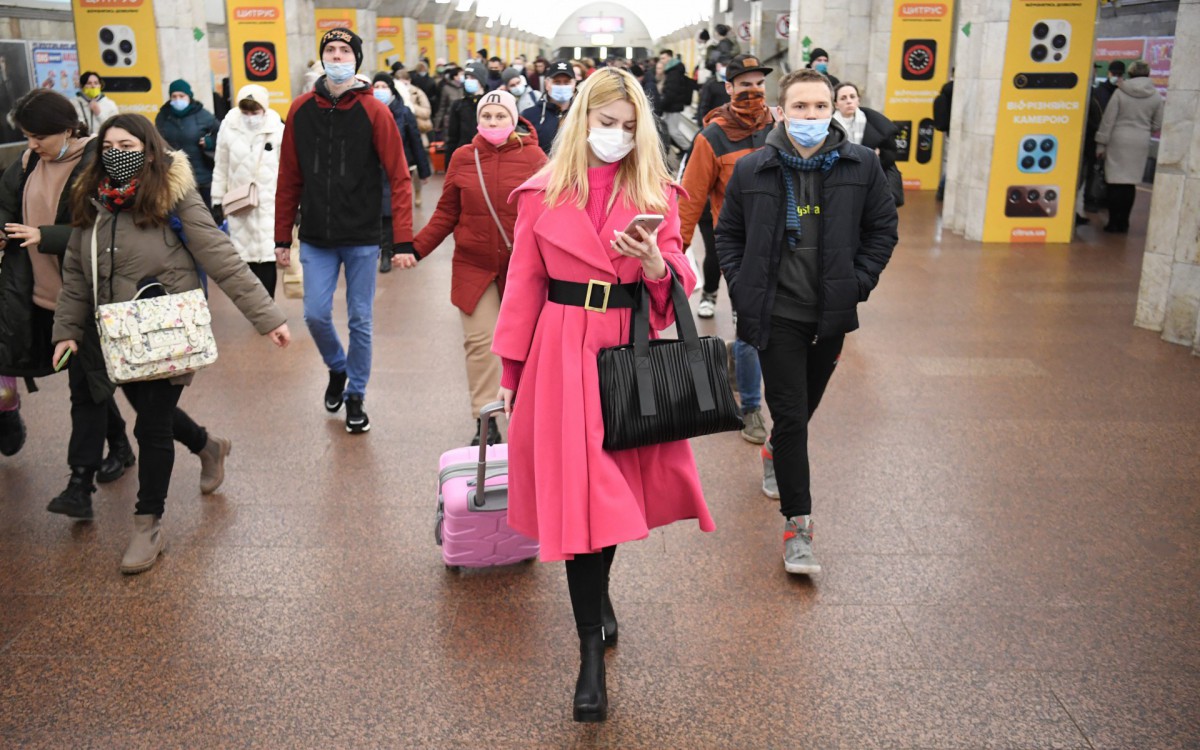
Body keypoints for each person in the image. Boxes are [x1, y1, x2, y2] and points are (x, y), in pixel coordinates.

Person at [492, 67, 714, 723]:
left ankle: (598, 598)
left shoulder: (656, 192)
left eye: (627, 126)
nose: (616, 134)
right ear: (582, 119)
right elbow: (523, 285)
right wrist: (510, 374)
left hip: (624, 350)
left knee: (605, 493)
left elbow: (679, 274)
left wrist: (655, 264)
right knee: (581, 498)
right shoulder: (541, 194)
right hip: (560, 352)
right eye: (605, 122)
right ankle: (590, 649)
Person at [54, 113, 290, 573]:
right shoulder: (91, 198)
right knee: (147, 411)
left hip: (166, 331)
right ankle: (208, 445)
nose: (116, 154)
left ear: (149, 149)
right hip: (117, 335)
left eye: (127, 146)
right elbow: (77, 273)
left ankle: (148, 526)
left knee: (151, 427)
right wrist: (65, 331)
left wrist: (267, 317)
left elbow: (219, 255)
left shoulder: (172, 192)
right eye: (109, 147)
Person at [716, 68, 897, 575]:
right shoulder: (754, 169)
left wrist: (858, 282)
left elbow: (882, 229)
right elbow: (728, 234)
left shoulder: (862, 165)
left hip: (830, 315)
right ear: (781, 111)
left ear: (833, 110)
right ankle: (799, 528)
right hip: (777, 316)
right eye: (800, 107)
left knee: (804, 408)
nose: (811, 115)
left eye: (820, 106)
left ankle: (775, 450)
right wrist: (742, 283)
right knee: (793, 415)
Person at [0, 88, 136, 504]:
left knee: (85, 387)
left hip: (87, 297)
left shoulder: (98, 162)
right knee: (90, 379)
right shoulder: (27, 163)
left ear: (66, 129)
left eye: (38, 136)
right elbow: (6, 205)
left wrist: (47, 235)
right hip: (42, 296)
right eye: (27, 136)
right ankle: (124, 447)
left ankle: (80, 482)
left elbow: (108, 230)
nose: (32, 144)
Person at [274, 27, 413, 434]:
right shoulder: (301, 110)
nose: (337, 57)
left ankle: (356, 394)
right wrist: (282, 237)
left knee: (360, 319)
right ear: (322, 58)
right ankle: (338, 367)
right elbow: (289, 177)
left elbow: (399, 177)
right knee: (315, 314)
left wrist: (402, 240)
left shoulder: (375, 111)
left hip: (362, 236)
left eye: (344, 51)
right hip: (316, 235)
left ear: (356, 60)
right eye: (330, 50)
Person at [404, 90, 546, 445]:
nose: (493, 122)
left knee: (527, 347)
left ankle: (525, 414)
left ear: (513, 119)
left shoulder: (534, 157)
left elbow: (551, 212)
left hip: (523, 269)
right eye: (487, 116)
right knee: (480, 343)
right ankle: (486, 420)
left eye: (500, 116)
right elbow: (446, 213)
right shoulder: (463, 157)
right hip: (474, 266)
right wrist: (415, 248)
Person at [677, 54, 774, 446]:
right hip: (739, 249)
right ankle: (751, 407)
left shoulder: (781, 125)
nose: (754, 91)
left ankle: (738, 360)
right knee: (751, 326)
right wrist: (675, 253)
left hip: (783, 245)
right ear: (729, 88)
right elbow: (690, 198)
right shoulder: (711, 137)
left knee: (776, 326)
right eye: (745, 84)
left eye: (759, 84)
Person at [211, 84, 284, 298]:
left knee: (267, 256)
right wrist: (217, 200)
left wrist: (296, 206)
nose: (250, 117)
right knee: (244, 259)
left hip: (269, 203)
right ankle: (254, 305)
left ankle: (267, 305)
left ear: (264, 109)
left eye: (255, 112)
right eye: (246, 112)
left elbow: (288, 170)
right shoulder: (228, 126)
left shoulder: (277, 129)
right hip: (239, 203)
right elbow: (221, 165)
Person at [1096, 60, 1163, 234]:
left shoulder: (1120, 92)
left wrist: (1101, 144)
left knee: (1114, 182)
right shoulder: (1155, 96)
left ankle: (1113, 222)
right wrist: (1144, 129)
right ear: (1148, 74)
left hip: (1118, 139)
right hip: (1139, 141)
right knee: (1129, 184)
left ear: (1130, 74)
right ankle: (1124, 222)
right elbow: (1157, 124)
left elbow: (1108, 120)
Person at [372, 72, 431, 272]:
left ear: (392, 90)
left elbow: (415, 141)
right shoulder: (368, 111)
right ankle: (381, 248)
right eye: (376, 87)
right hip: (372, 171)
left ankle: (387, 252)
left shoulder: (404, 112)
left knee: (389, 212)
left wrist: (424, 170)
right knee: (378, 212)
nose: (379, 91)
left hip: (396, 169)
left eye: (384, 87)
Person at [154, 79, 219, 213]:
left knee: (205, 213)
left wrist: (209, 142)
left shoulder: (203, 115)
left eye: (181, 96)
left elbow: (220, 134)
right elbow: (157, 139)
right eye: (174, 96)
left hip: (202, 176)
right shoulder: (163, 116)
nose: (178, 100)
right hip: (174, 176)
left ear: (189, 96)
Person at [833, 82, 902, 205]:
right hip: (840, 181)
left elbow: (891, 153)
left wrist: (878, 158)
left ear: (858, 100)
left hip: (870, 180)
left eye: (852, 97)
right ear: (836, 104)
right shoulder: (829, 126)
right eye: (843, 98)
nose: (849, 101)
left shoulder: (877, 123)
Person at [523, 59, 576, 155]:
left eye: (566, 82)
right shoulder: (529, 116)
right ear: (547, 84)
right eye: (557, 82)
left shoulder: (583, 114)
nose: (562, 87)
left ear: (574, 84)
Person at [655, 50, 695, 154]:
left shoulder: (673, 73)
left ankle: (689, 150)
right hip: (671, 105)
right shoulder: (672, 70)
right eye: (661, 58)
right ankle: (683, 149)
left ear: (670, 57)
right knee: (668, 129)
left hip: (673, 106)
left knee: (673, 131)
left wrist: (661, 106)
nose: (662, 60)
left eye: (663, 58)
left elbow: (671, 92)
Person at [445, 62, 487, 159]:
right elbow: (452, 137)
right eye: (467, 77)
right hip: (464, 155)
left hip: (485, 155)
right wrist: (449, 162)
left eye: (472, 78)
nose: (468, 81)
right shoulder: (458, 105)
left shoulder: (490, 103)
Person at [72, 72, 120, 136]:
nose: (93, 86)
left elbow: (114, 128)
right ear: (82, 86)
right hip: (81, 140)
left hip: (102, 140)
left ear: (100, 85)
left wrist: (99, 114)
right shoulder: (73, 103)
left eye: (96, 83)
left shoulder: (110, 104)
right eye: (89, 83)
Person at [695, 57, 731, 126]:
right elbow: (703, 105)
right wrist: (702, 123)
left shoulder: (733, 82)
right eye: (723, 65)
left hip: (730, 124)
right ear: (717, 66)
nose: (725, 68)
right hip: (714, 123)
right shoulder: (710, 83)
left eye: (727, 66)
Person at [434, 64, 464, 139]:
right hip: (449, 122)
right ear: (455, 77)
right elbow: (442, 107)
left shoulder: (465, 88)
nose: (464, 76)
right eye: (461, 74)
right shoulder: (446, 88)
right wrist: (437, 125)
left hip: (463, 122)